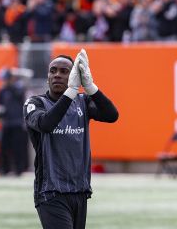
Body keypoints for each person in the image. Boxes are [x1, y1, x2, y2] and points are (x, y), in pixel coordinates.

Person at [25, 49, 118, 229]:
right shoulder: (35, 103)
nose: (57, 75)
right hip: (50, 191)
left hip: (79, 190)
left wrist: (90, 87)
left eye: (64, 71)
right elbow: (46, 124)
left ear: (75, 76)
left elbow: (111, 115)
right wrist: (71, 91)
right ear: (47, 76)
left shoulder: (82, 101)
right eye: (53, 71)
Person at [0, 69, 28, 176]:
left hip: (17, 122)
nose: (3, 81)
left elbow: (20, 96)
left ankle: (18, 170)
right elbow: (0, 105)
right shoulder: (2, 91)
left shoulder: (18, 87)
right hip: (6, 122)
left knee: (17, 147)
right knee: (4, 147)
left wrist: (10, 86)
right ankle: (4, 169)